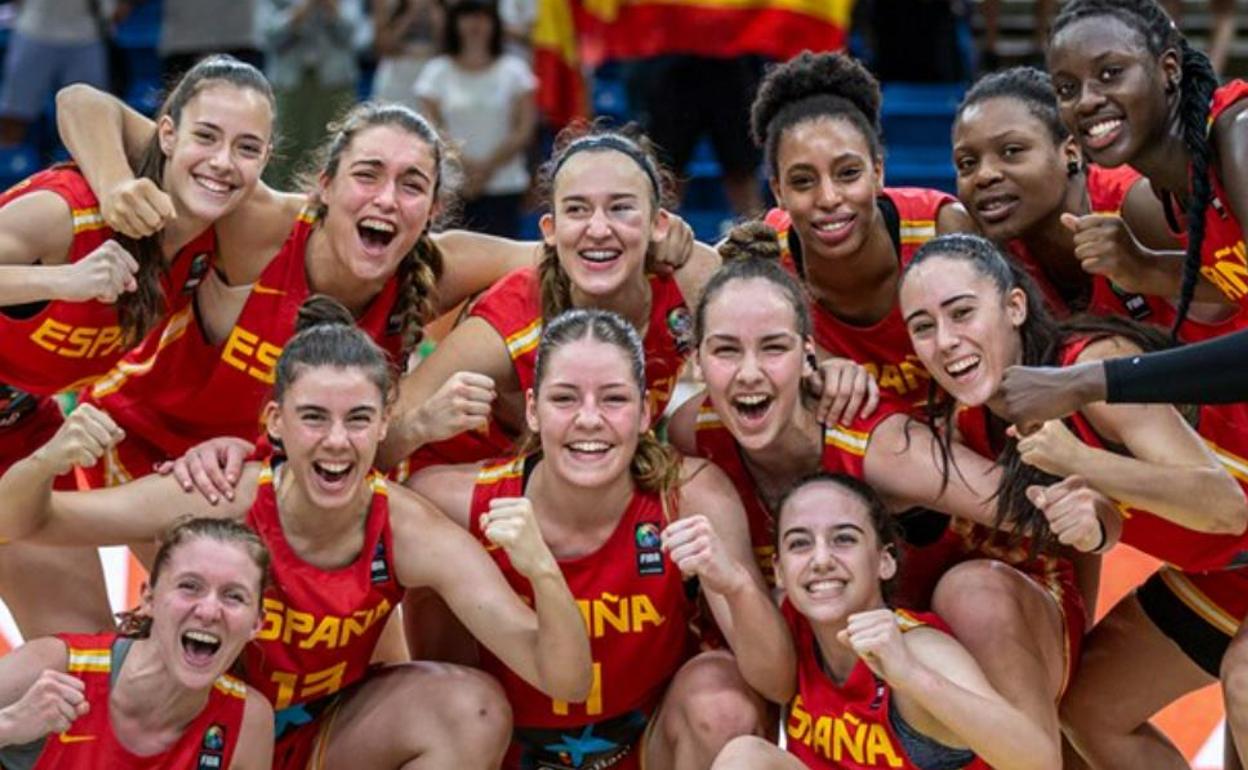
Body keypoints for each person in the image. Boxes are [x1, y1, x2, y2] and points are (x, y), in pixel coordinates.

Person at [0, 295, 593, 770]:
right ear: (275, 422)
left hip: (321, 733)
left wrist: (541, 568)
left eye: (358, 419)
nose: (336, 441)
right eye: (313, 417)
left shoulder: (411, 531)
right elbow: (29, 524)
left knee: (474, 709)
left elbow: (563, 677)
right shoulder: (220, 491)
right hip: (194, 723)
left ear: (386, 421)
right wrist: (43, 463)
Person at [898, 232, 1248, 769]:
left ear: (1015, 306)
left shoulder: (1090, 364)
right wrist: (1096, 526)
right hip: (1222, 573)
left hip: (1233, 536)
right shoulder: (974, 425)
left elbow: (1227, 507)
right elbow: (1107, 517)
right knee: (1089, 710)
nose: (945, 340)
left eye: (962, 313)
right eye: (923, 327)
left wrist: (1082, 462)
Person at [406, 308, 786, 770]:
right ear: (532, 409)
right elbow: (430, 674)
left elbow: (778, 685)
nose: (589, 420)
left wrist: (736, 586)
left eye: (613, 399)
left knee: (723, 698)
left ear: (645, 411)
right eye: (565, 399)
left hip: (647, 747)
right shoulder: (451, 502)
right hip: (503, 747)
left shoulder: (690, 495)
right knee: (456, 701)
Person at [668, 222, 1112, 616]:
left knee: (974, 596)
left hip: (948, 627)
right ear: (698, 361)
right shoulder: (690, 431)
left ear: (808, 355)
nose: (749, 373)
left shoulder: (880, 442)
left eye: (773, 348)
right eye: (726, 349)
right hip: (810, 654)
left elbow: (1046, 509)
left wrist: (1102, 519)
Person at [0, 55, 275, 641]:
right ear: (167, 135)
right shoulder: (67, 213)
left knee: (80, 661)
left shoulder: (224, 228)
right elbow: (77, 95)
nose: (223, 162)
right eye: (207, 136)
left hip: (19, 426)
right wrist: (60, 281)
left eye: (247, 148)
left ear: (265, 161)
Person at [378, 123, 720, 475]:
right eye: (576, 210)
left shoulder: (692, 276)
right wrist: (419, 425)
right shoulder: (509, 324)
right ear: (550, 231)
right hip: (460, 489)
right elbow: (374, 435)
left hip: (585, 484)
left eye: (621, 208)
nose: (599, 229)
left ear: (659, 224)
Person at [710, 473, 1061, 770]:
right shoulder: (788, 625)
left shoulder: (919, 648)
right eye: (800, 544)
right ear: (780, 571)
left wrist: (912, 676)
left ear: (884, 562)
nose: (820, 560)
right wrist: (736, 587)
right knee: (745, 759)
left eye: (843, 539)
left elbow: (1040, 760)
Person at [750, 51, 975, 408]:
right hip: (844, 453)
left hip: (958, 442)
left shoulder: (943, 228)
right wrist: (819, 362)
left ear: (878, 173)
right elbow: (700, 275)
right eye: (803, 181)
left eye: (848, 173)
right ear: (778, 192)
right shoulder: (765, 253)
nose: (828, 198)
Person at [952, 65, 1242, 341]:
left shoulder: (1142, 205)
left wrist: (1146, 269)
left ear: (1071, 152)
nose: (984, 175)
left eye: (1011, 151)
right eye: (967, 163)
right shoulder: (995, 251)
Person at [0, 517, 275, 769]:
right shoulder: (55, 666)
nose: (209, 611)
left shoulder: (247, 720)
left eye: (234, 596)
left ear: (256, 623)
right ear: (148, 599)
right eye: (190, 586)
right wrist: (9, 725)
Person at [1046, 0, 1248, 336]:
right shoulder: (1169, 191)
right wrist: (1142, 265)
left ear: (1169, 69)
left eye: (1110, 73)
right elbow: (1235, 283)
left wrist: (1097, 379)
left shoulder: (1240, 134)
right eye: (1067, 89)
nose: (1086, 101)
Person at [415, 0, 537, 238]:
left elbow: (524, 129)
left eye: (483, 16)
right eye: (468, 16)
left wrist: (487, 167)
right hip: (453, 187)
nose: (475, 24)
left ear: (495, 22)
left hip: (505, 183)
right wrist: (467, 168)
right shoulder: (436, 72)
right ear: (455, 22)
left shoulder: (515, 70)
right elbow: (431, 129)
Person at [257, 0, 367, 189]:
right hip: (289, 83)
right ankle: (281, 204)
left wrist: (332, 9)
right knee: (284, 147)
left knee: (336, 146)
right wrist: (300, 11)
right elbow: (267, 36)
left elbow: (356, 36)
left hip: (335, 83)